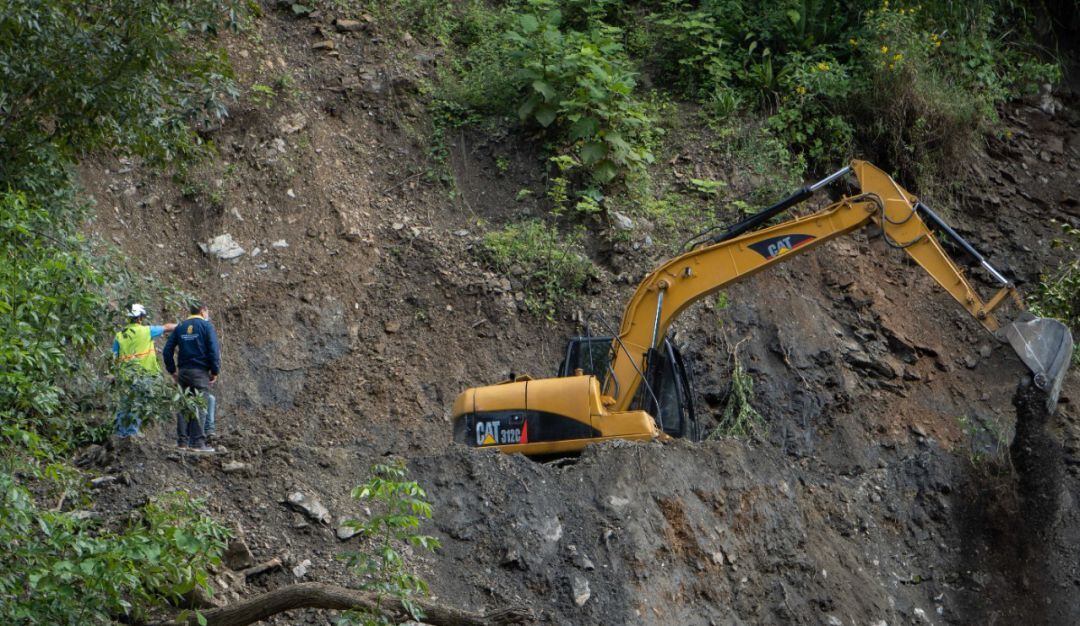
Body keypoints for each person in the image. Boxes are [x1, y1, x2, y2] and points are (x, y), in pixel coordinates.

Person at [163, 300, 221, 452]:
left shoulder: (181, 326)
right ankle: (197, 443)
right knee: (200, 404)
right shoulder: (206, 326)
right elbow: (214, 351)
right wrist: (215, 371)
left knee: (183, 405)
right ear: (203, 310)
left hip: (183, 372)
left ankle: (182, 442)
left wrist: (172, 371)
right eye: (207, 311)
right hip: (200, 372)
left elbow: (167, 350)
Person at [113, 304, 176, 437]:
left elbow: (114, 358)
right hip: (143, 376)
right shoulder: (147, 331)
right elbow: (166, 327)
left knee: (124, 406)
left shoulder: (119, 335)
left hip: (125, 377)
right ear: (140, 318)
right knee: (137, 406)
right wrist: (185, 325)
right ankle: (131, 436)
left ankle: (119, 435)